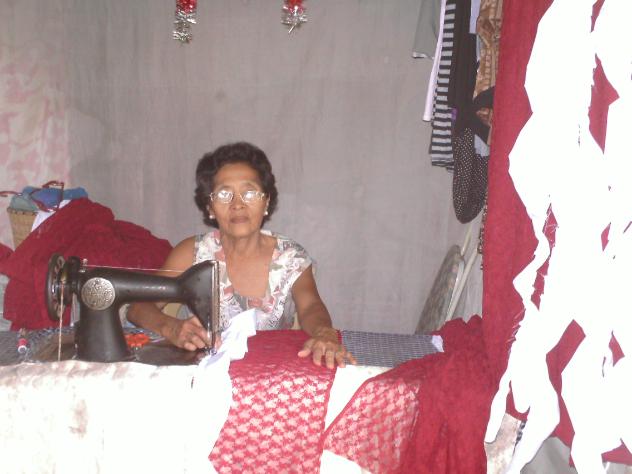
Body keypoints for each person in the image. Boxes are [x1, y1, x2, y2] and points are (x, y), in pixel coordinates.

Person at [128, 142, 355, 369]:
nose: (237, 204)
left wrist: (325, 333)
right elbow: (138, 308)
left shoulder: (291, 258)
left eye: (249, 193)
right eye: (224, 194)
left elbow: (310, 306)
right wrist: (171, 327)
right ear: (210, 207)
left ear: (266, 201)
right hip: (201, 374)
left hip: (270, 373)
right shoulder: (192, 253)